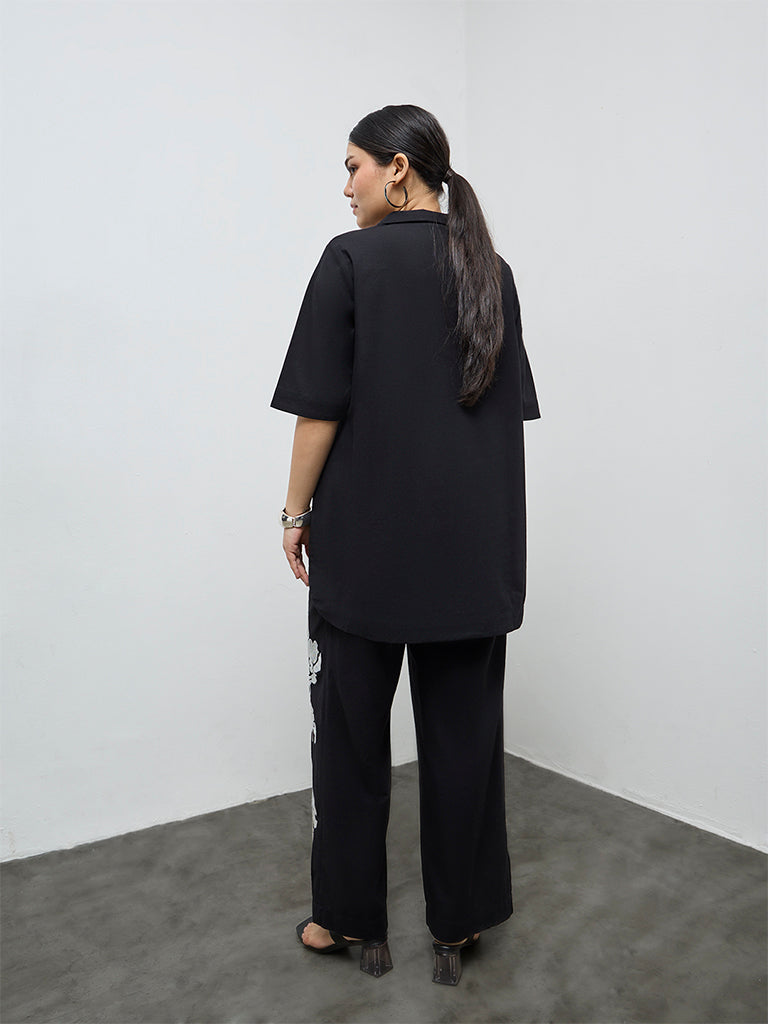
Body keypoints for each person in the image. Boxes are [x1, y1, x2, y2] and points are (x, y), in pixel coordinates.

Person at [270, 104, 541, 986]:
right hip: (470, 558)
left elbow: (319, 410)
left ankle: (349, 922)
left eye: (352, 167)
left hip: (365, 554)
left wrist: (293, 514)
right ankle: (458, 926)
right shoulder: (489, 269)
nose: (344, 187)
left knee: (350, 743)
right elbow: (503, 423)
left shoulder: (350, 260)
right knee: (465, 745)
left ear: (396, 168)